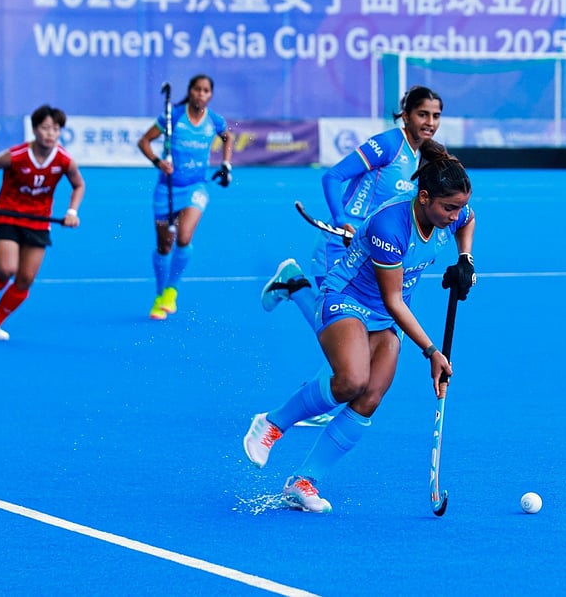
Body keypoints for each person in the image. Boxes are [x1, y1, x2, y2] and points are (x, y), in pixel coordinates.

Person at [243, 145, 477, 513]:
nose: (455, 214)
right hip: (347, 298)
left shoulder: (451, 211)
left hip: (385, 317)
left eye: (459, 206)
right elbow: (393, 300)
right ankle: (271, 424)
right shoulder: (392, 225)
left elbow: (469, 221)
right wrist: (431, 351)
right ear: (425, 196)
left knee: (370, 397)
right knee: (351, 380)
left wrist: (465, 259)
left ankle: (303, 481)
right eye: (449, 208)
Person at [260, 85, 445, 426]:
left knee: (360, 328)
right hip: (343, 247)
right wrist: (343, 220)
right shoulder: (390, 145)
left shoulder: (426, 158)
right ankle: (296, 286)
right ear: (405, 115)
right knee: (337, 318)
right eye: (422, 114)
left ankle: (295, 286)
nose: (430, 122)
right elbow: (334, 176)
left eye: (435, 115)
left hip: (378, 254)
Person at [0, 104, 85, 341]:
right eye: (45, 128)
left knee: (26, 279)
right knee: (6, 269)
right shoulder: (17, 155)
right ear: (35, 129)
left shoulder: (64, 160)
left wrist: (72, 211)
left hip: (38, 221)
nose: (50, 134)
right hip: (7, 215)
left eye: (56, 129)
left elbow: (79, 185)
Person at [136, 74, 233, 320]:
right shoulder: (173, 117)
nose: (201, 94)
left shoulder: (214, 120)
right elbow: (144, 141)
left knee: (184, 236)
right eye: (197, 89)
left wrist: (226, 164)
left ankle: (172, 289)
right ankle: (160, 294)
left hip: (196, 187)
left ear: (210, 95)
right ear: (190, 91)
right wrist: (158, 162)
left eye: (206, 91)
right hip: (167, 187)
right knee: (164, 244)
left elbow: (227, 137)